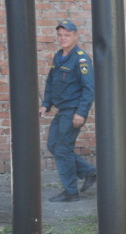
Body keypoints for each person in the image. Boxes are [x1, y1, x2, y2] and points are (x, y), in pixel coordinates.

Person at [39, 19, 97, 203]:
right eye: (60, 35)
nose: (63, 38)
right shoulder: (59, 56)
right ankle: (89, 172)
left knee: (62, 149)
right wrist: (45, 104)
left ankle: (71, 192)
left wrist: (81, 112)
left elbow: (89, 88)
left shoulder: (81, 58)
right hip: (62, 109)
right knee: (53, 146)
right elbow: (51, 81)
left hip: (73, 110)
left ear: (75, 36)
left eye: (67, 35)